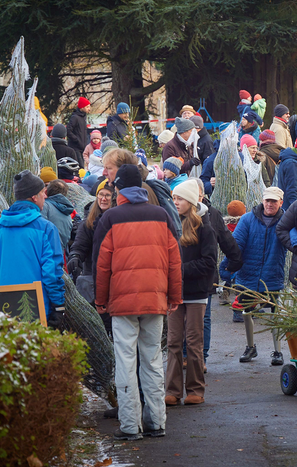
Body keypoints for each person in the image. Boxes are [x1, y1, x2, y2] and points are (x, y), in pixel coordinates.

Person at [93, 164, 182, 440]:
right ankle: (156, 422)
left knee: (125, 362)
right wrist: (174, 296)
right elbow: (174, 261)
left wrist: (100, 300)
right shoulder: (161, 215)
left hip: (122, 303)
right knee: (153, 359)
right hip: (155, 299)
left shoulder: (111, 218)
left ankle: (130, 425)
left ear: (119, 188)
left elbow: (102, 265)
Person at [0, 170, 65, 325]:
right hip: (37, 308)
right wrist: (58, 305)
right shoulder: (46, 228)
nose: (45, 197)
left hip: (2, 309)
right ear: (34, 197)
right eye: (43, 193)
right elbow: (51, 273)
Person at [166, 180, 217, 406]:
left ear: (191, 201)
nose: (175, 202)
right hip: (174, 293)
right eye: (174, 198)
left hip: (196, 292)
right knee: (174, 341)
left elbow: (209, 263)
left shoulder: (205, 227)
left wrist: (179, 270)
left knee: (194, 342)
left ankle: (196, 389)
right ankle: (172, 390)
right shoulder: (169, 223)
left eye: (180, 199)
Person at [232, 187, 288, 365]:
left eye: (274, 201)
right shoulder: (248, 219)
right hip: (248, 274)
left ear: (281, 202)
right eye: (267, 201)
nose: (270, 204)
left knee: (274, 312)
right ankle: (250, 347)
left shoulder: (286, 221)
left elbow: (292, 238)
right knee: (246, 310)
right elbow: (236, 243)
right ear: (262, 201)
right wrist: (228, 266)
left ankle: (277, 351)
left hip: (272, 274)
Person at [192, 179, 242, 366]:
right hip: (181, 276)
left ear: (202, 195)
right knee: (181, 319)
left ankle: (201, 358)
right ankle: (183, 356)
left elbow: (226, 240)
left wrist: (235, 261)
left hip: (205, 276)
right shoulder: (176, 213)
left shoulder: (212, 215)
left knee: (203, 317)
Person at [67, 182, 113, 307]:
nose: (103, 199)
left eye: (108, 195)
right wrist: (75, 256)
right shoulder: (88, 222)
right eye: (101, 194)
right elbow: (80, 245)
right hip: (92, 275)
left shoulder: (118, 220)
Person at [41, 179, 75, 253]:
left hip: (45, 255)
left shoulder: (44, 207)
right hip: (58, 256)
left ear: (46, 192)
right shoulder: (68, 214)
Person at [68, 97, 91, 163]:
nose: (89, 109)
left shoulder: (83, 117)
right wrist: (76, 140)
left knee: (82, 167)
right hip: (76, 148)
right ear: (82, 107)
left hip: (82, 148)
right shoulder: (75, 117)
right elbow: (68, 131)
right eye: (87, 107)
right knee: (80, 167)